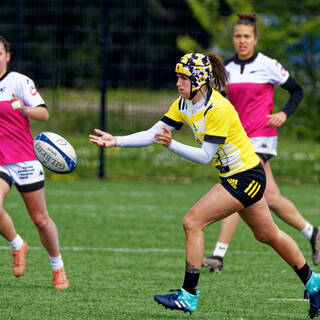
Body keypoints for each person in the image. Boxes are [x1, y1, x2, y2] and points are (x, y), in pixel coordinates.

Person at [90, 52, 320, 317]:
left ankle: (188, 295)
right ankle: (314, 282)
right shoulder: (184, 103)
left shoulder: (218, 109)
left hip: (245, 177)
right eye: (177, 77)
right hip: (240, 175)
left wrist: (171, 144)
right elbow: (154, 132)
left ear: (199, 80)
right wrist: (116, 140)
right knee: (267, 234)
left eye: (183, 78)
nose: (178, 83)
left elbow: (204, 157)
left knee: (192, 221)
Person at [202, 13, 320, 274]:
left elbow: (297, 90)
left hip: (261, 138)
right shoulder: (228, 70)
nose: (242, 41)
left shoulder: (268, 65)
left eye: (246, 36)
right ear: (233, 39)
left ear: (255, 39)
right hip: (237, 140)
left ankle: (218, 256)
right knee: (272, 198)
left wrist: (284, 113)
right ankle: (313, 233)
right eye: (237, 36)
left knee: (236, 188)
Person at [0, 35, 69, 289]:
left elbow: (44, 113)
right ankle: (18, 245)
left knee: (40, 219)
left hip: (24, 159)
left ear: (7, 56)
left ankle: (57, 266)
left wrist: (24, 109)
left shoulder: (18, 82)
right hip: (0, 163)